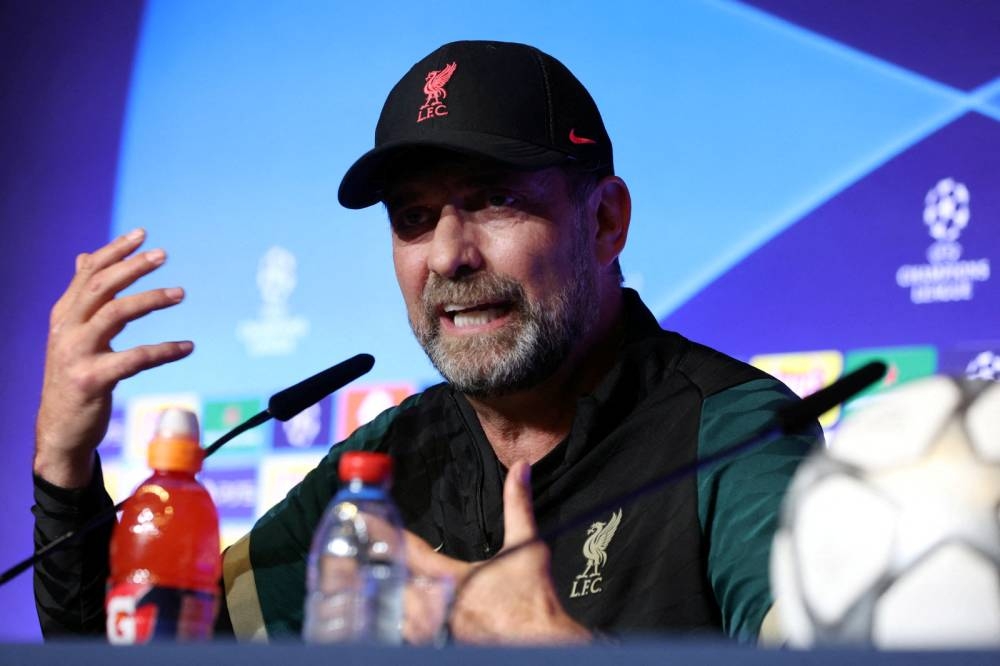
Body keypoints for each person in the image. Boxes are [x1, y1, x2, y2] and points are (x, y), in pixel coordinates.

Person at [32, 40, 820, 644]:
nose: (447, 255)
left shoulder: (736, 433)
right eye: (414, 217)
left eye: (494, 200)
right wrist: (63, 470)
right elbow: (148, 648)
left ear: (606, 222)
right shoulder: (381, 468)